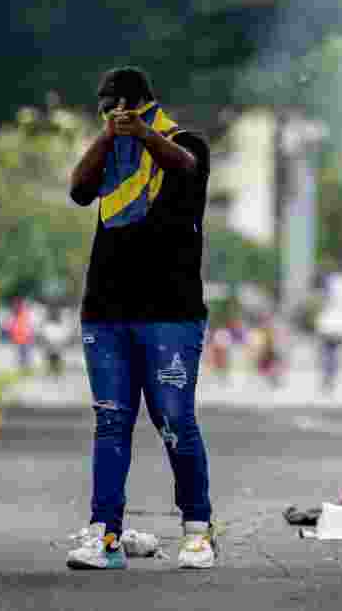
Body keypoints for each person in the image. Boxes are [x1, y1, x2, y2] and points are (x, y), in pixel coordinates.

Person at [66, 66, 215, 570]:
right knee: (111, 422)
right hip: (106, 310)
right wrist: (109, 138)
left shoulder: (183, 141)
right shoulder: (110, 151)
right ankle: (104, 536)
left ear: (145, 104)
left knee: (174, 419)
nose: (116, 116)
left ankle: (197, 530)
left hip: (170, 309)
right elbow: (79, 190)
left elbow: (187, 167)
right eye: (108, 110)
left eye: (122, 108)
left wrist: (145, 134)